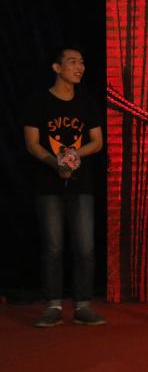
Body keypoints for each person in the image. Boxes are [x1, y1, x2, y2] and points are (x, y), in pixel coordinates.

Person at [23, 45, 105, 327]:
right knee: (53, 247)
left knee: (85, 247)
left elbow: (97, 141)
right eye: (72, 62)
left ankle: (83, 306)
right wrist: (55, 162)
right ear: (57, 68)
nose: (79, 67)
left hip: (82, 185)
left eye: (81, 62)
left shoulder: (87, 103)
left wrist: (72, 156)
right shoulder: (38, 102)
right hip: (48, 184)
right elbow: (32, 143)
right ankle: (53, 306)